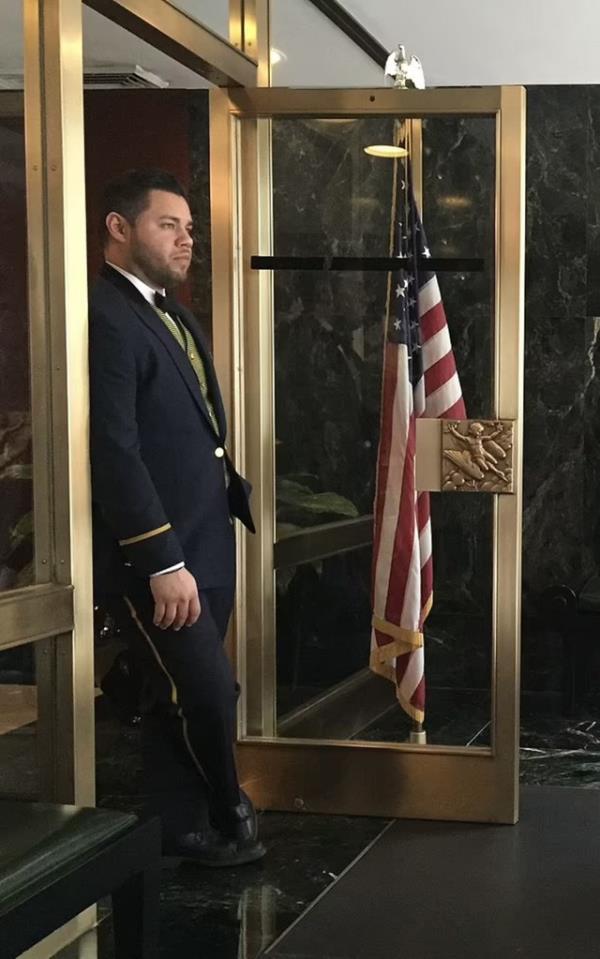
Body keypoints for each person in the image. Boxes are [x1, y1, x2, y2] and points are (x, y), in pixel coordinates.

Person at [89, 168, 265, 866]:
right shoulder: (105, 316)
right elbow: (115, 449)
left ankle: (176, 827)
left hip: (207, 543)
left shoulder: (172, 313)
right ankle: (230, 809)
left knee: (175, 695)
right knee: (207, 689)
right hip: (160, 558)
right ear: (118, 227)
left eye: (190, 228)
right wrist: (161, 560)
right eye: (170, 225)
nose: (187, 239)